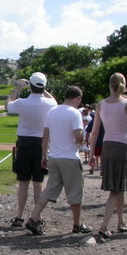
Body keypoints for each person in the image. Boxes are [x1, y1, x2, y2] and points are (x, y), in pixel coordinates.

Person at [25, 86, 91, 236]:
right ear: (77, 99)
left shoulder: (52, 112)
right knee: (75, 192)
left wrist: (44, 156)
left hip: (54, 156)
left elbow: (45, 135)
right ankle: (77, 223)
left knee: (49, 190)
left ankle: (33, 217)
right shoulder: (74, 113)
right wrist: (80, 143)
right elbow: (78, 136)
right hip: (69, 157)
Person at [5, 72, 57, 227]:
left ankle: (20, 215)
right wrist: (42, 87)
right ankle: (37, 216)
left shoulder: (22, 102)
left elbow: (8, 105)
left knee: (23, 182)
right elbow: (53, 99)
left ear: (31, 86)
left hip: (25, 142)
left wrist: (18, 89)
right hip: (42, 143)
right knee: (38, 182)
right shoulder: (50, 104)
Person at [89, 72, 127, 239]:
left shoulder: (101, 104)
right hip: (123, 146)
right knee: (116, 189)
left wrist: (92, 152)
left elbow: (94, 132)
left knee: (118, 186)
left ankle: (121, 221)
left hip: (107, 146)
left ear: (110, 85)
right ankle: (104, 226)